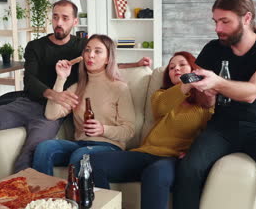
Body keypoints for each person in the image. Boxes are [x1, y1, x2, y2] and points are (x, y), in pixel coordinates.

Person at [0, 0, 151, 192]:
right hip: (31, 103)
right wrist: (57, 88)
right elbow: (31, 81)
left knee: (36, 152)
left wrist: (135, 64)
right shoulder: (41, 51)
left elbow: (104, 61)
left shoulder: (86, 51)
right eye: (55, 17)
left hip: (86, 134)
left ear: (75, 22)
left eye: (65, 18)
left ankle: (24, 198)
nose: (59, 22)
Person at [173, 0, 256, 208]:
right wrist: (202, 91)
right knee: (188, 171)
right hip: (222, 127)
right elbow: (203, 98)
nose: (218, 28)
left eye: (225, 21)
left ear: (247, 18)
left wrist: (216, 82)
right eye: (215, 21)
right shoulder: (213, 49)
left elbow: (252, 92)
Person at [89, 51, 214, 209]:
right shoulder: (160, 95)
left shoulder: (205, 104)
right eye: (172, 67)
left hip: (173, 159)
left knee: (155, 173)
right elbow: (162, 106)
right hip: (146, 153)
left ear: (194, 69)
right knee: (92, 163)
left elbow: (211, 135)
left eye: (182, 65)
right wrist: (186, 85)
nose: (176, 69)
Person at [32, 34, 135, 175]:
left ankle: (74, 197)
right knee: (44, 147)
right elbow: (51, 114)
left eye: (97, 51)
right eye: (87, 50)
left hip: (109, 147)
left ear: (108, 59)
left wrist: (103, 129)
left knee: (81, 156)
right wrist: (61, 79)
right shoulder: (77, 88)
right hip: (80, 144)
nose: (90, 55)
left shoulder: (120, 88)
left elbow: (129, 131)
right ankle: (45, 195)